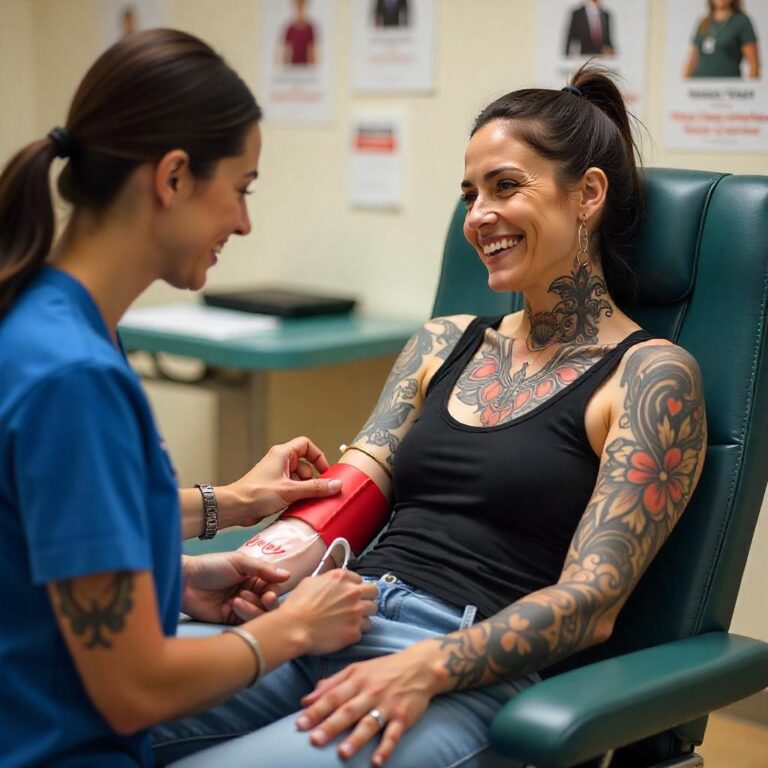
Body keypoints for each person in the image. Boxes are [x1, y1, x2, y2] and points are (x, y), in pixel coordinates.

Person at [150, 64, 707, 768]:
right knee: (72, 709)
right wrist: (269, 570)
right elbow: (349, 487)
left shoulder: (650, 378)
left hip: (460, 669)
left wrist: (427, 667)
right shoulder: (443, 342)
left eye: (506, 186)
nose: (478, 216)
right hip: (332, 613)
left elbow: (591, 602)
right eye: (469, 194)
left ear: (588, 193)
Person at [0, 28, 378, 768]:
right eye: (240, 189)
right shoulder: (75, 376)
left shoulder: (47, 318)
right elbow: (134, 688)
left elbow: (57, 519)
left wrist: (211, 534)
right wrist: (293, 628)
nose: (243, 221)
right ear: (172, 178)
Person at [684, 0, 760, 78]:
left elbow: (754, 63)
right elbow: (692, 60)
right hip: (700, 85)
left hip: (729, 86)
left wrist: (752, 88)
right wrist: (683, 86)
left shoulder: (741, 22)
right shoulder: (704, 22)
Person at [282, 0, 317, 67]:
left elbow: (312, 51)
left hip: (306, 68)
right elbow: (285, 51)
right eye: (298, 6)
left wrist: (313, 68)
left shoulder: (309, 28)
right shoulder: (290, 29)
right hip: (293, 68)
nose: (299, 9)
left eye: (301, 6)